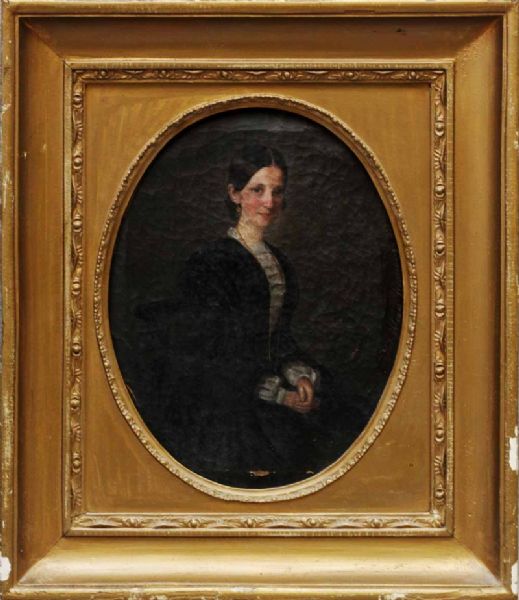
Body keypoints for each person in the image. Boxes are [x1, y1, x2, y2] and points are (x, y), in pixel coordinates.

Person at [157, 145, 341, 487]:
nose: (269, 201)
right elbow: (210, 354)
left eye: (277, 191)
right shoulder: (211, 261)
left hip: (264, 392)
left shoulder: (279, 262)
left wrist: (299, 376)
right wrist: (279, 395)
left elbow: (279, 338)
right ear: (235, 194)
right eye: (257, 190)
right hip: (222, 401)